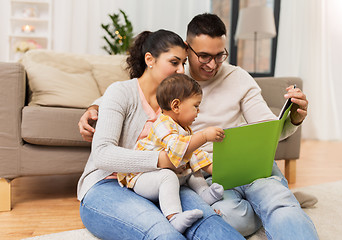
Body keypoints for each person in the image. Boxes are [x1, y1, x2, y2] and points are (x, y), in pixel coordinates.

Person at [79, 14, 319, 240]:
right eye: (203, 56)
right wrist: (94, 108)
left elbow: (268, 128)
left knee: (271, 205)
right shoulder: (174, 85)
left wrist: (293, 119)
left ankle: (278, 202)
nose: (212, 64)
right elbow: (127, 96)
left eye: (219, 55)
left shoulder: (227, 79)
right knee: (220, 221)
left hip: (226, 167)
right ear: (187, 48)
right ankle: (274, 203)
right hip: (190, 172)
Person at [77, 29, 245, 240]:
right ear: (150, 59)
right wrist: (162, 160)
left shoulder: (177, 105)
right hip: (108, 183)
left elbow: (188, 147)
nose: (181, 70)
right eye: (174, 63)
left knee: (208, 222)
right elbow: (102, 154)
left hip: (166, 181)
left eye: (183, 63)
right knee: (164, 233)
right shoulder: (121, 92)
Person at [118, 73, 225, 233]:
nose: (198, 111)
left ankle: (204, 193)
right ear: (176, 106)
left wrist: (223, 171)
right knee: (168, 176)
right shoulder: (162, 124)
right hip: (142, 177)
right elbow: (177, 149)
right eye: (196, 106)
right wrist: (203, 136)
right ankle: (174, 217)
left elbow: (197, 156)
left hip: (163, 175)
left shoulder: (184, 129)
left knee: (192, 168)